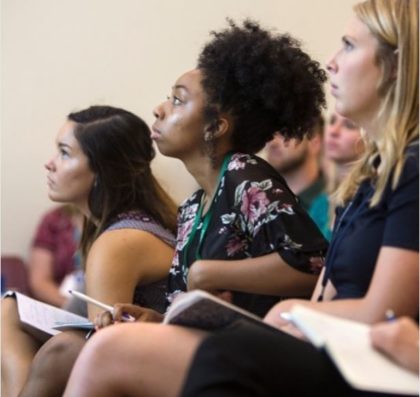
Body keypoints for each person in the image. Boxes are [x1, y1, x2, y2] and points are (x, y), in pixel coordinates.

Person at [64, 0, 418, 396]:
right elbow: (327, 288)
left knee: (106, 350)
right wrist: (158, 318)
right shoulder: (370, 176)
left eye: (349, 46)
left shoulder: (244, 173)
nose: (332, 62)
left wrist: (272, 303)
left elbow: (313, 266)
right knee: (91, 346)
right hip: (304, 338)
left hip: (347, 358)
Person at [1, 106, 177, 397]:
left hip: (151, 369)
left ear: (100, 172)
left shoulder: (117, 243)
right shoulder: (116, 226)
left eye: (64, 153)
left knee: (66, 348)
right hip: (139, 352)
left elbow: (103, 350)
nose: (50, 164)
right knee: (10, 309)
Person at [265, 115, 331, 239]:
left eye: (285, 133)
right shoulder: (257, 200)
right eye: (268, 132)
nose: (272, 142)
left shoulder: (333, 204)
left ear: (314, 143)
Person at [28, 204, 84, 309]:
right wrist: (74, 308)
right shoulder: (54, 220)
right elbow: (40, 282)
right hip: (62, 306)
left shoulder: (117, 221)